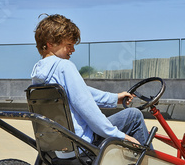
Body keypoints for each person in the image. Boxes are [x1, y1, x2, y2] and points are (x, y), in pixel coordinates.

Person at [31, 14, 152, 148]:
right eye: (69, 45)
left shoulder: (39, 74)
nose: (73, 50)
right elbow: (86, 107)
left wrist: (114, 98)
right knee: (134, 115)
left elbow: (81, 92)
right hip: (82, 142)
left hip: (59, 143)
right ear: (50, 44)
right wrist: (120, 135)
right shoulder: (64, 66)